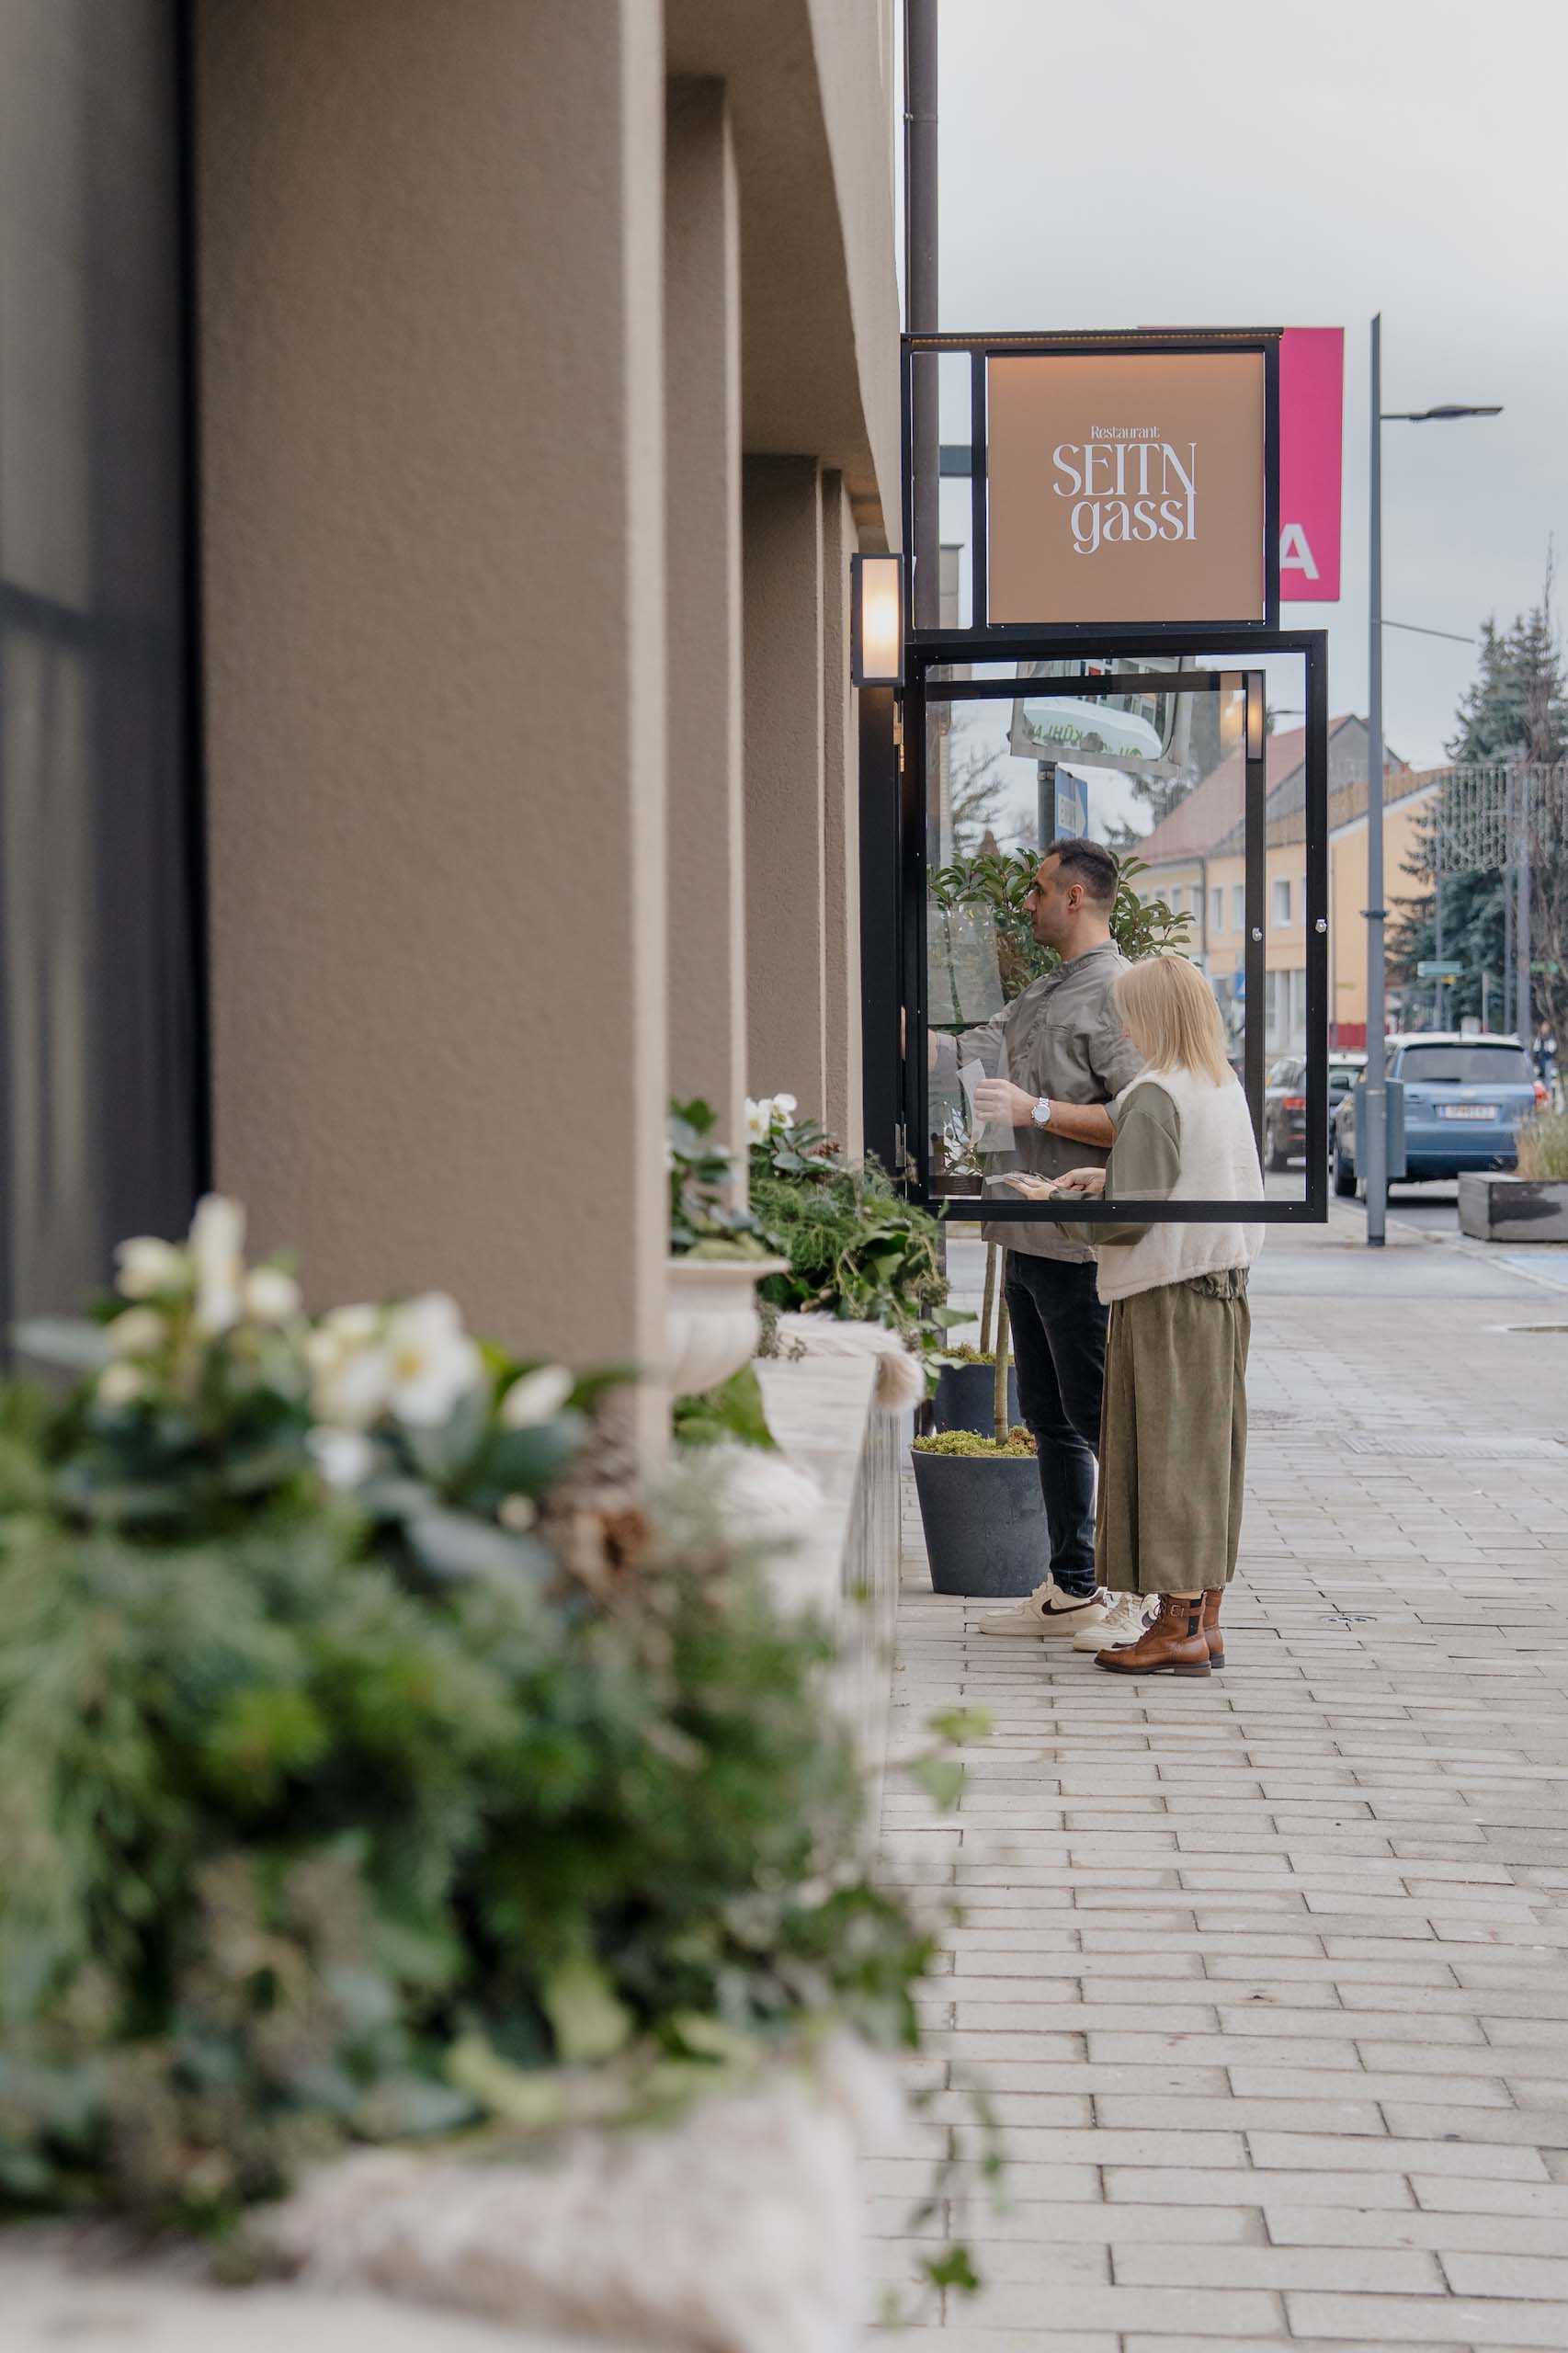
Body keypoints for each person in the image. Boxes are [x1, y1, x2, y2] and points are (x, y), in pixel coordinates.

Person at [1024, 953, 1264, 1677]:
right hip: (1221, 1289)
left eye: (1130, 1008)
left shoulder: (1155, 1092)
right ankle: (1204, 1622)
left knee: (1165, 1457)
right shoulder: (1218, 1083)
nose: (1123, 1021)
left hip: (1166, 1297)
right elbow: (1186, 1177)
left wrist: (1060, 1203)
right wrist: (1112, 1172)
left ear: (1154, 1014)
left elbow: (1126, 1222)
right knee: (1206, 1453)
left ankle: (1175, 1627)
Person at [930, 837, 1143, 1646]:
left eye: (1039, 890)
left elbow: (1139, 1117)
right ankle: (1072, 1586)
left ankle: (1137, 1595)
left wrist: (1039, 1113)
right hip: (1023, 1240)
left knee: (1096, 1422)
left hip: (1079, 1250)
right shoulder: (1045, 991)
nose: (1027, 903)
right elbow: (974, 1053)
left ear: (1077, 898)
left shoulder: (1118, 993)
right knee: (1048, 1419)